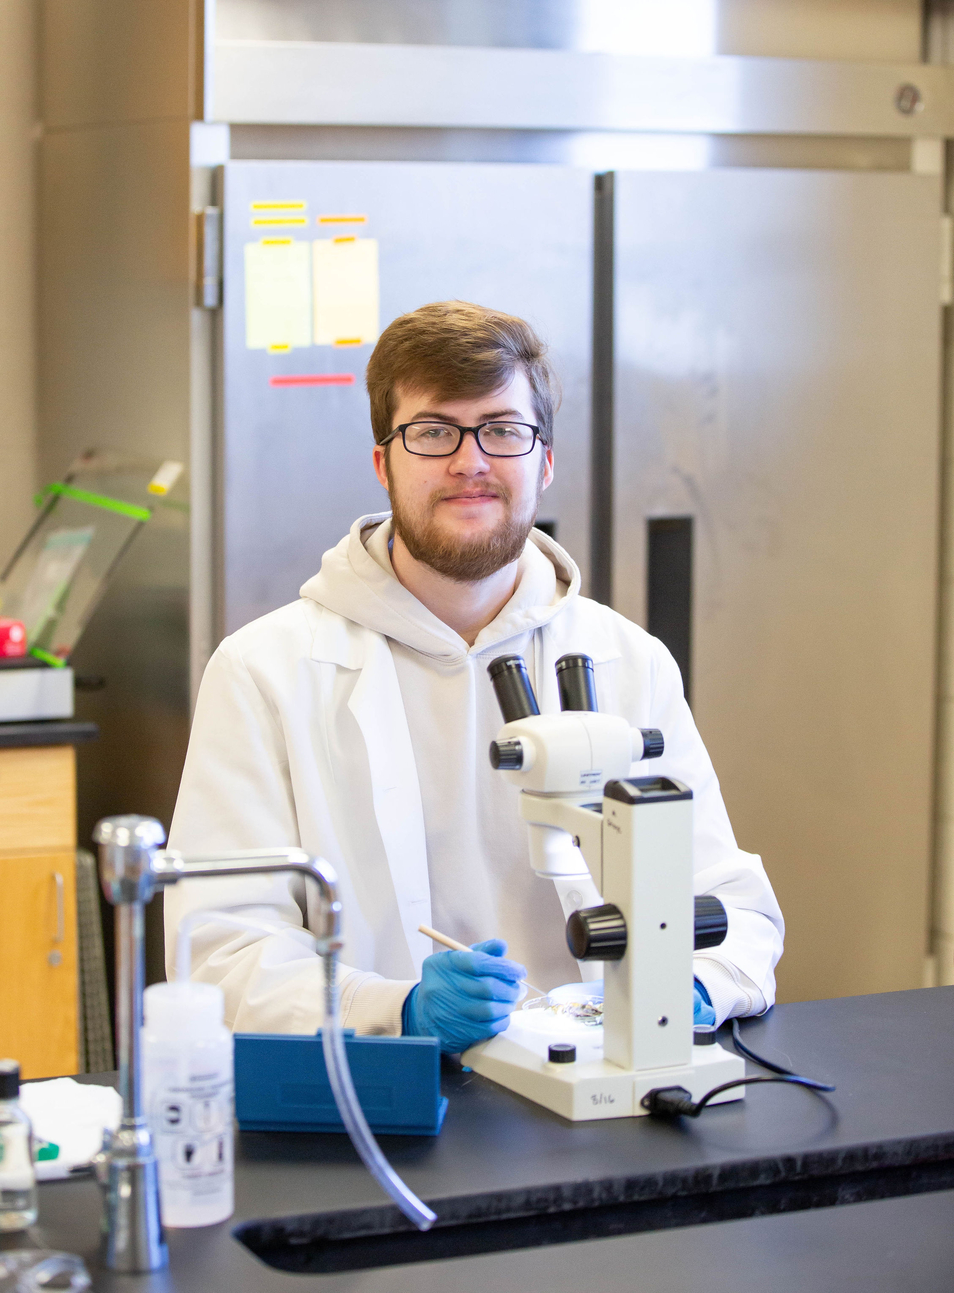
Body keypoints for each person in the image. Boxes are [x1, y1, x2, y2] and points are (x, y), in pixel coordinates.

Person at [165, 301, 783, 1051]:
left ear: (545, 460)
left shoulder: (628, 660)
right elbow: (219, 951)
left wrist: (687, 987)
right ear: (381, 462)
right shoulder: (264, 671)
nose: (469, 461)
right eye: (432, 432)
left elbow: (731, 909)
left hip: (597, 1085)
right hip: (373, 1103)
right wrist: (393, 1008)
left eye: (502, 429)